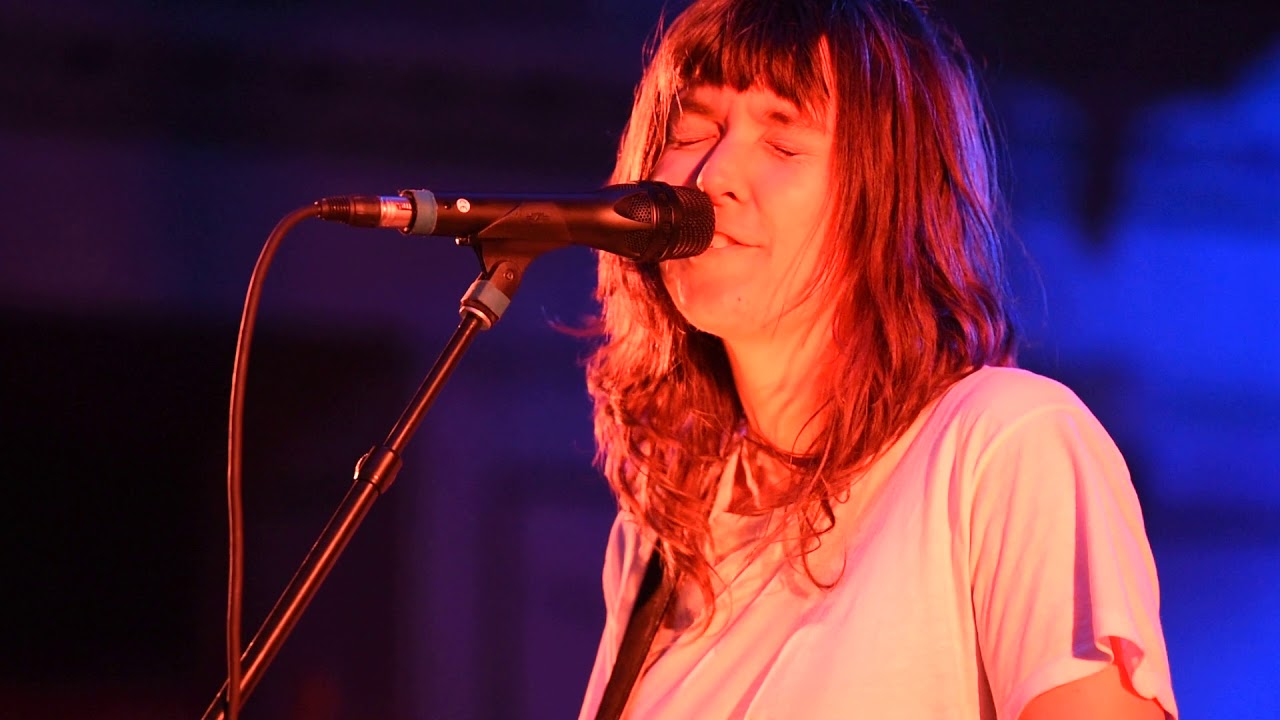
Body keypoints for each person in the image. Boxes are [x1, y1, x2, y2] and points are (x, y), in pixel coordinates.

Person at [578, 1, 1178, 718]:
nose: (713, 176)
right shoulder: (658, 539)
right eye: (695, 129)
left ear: (888, 197)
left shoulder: (1004, 443)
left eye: (783, 144)